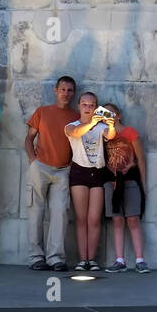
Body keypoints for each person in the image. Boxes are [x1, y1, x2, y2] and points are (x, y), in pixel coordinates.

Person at [23, 75, 79, 272]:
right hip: (41, 167)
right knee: (35, 211)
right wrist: (33, 160)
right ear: (56, 91)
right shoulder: (42, 112)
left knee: (60, 213)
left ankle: (55, 258)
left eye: (70, 90)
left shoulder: (76, 117)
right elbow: (29, 139)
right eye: (62, 89)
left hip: (63, 171)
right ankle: (36, 257)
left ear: (73, 93)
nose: (66, 93)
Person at [65, 93, 115, 270]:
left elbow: (111, 135)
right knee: (81, 218)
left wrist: (110, 124)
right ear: (79, 106)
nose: (88, 108)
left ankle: (91, 259)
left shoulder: (100, 126)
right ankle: (82, 259)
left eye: (91, 105)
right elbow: (76, 133)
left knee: (94, 219)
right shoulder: (71, 125)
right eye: (84, 104)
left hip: (98, 172)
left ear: (96, 107)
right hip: (79, 172)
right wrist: (92, 122)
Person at [100, 103, 151, 274]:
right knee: (117, 220)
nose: (110, 117)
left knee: (133, 219)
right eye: (105, 114)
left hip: (130, 180)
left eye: (112, 113)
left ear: (119, 115)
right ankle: (119, 260)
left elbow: (141, 159)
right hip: (111, 182)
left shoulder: (130, 132)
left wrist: (143, 184)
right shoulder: (102, 134)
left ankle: (140, 260)